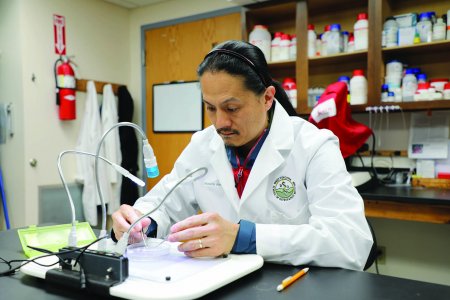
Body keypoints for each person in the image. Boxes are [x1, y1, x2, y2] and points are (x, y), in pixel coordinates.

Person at [112, 40, 373, 270]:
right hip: (224, 280)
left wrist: (243, 237)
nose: (220, 122)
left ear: (268, 98)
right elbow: (164, 203)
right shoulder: (203, 144)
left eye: (232, 108)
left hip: (296, 284)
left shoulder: (313, 145)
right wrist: (140, 221)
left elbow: (350, 242)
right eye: (210, 108)